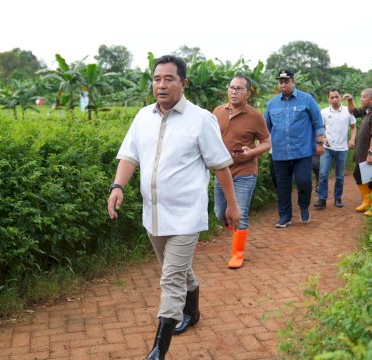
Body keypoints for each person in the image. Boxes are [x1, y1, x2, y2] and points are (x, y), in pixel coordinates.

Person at [107, 55, 240, 360]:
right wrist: (118, 187)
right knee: (176, 270)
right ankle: (193, 313)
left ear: (183, 83)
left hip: (186, 216)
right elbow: (129, 156)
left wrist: (232, 206)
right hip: (153, 215)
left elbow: (220, 167)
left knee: (170, 278)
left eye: (169, 79)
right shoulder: (143, 117)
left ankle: (158, 350)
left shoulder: (200, 118)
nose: (162, 84)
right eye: (157, 79)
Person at [212, 75, 271, 269]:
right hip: (222, 172)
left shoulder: (255, 116)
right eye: (231, 88)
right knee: (221, 212)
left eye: (239, 89)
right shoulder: (217, 112)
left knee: (241, 212)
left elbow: (267, 143)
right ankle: (237, 230)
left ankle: (237, 254)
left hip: (244, 171)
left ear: (247, 93)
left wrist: (251, 153)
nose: (234, 91)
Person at [264, 69, 325, 228]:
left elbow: (317, 121)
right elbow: (265, 128)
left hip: (302, 151)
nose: (283, 84)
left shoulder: (306, 99)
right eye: (280, 82)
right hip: (279, 152)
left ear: (293, 82)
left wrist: (319, 143)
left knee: (303, 181)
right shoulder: (272, 104)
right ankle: (285, 216)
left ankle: (304, 205)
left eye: (286, 81)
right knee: (282, 185)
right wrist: (260, 145)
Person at [343, 89, 372, 216]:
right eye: (360, 97)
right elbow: (352, 111)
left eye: (363, 97)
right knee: (358, 176)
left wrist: (371, 153)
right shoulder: (367, 111)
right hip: (363, 153)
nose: (361, 99)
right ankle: (367, 201)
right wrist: (350, 100)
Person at [314, 88, 356, 209]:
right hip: (327, 148)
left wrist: (352, 139)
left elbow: (353, 127)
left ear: (340, 97)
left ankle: (338, 198)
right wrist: (323, 138)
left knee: (339, 176)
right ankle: (322, 199)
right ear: (328, 99)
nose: (334, 99)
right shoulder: (324, 112)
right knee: (323, 174)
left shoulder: (348, 111)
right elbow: (320, 128)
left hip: (342, 148)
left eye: (336, 97)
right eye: (331, 97)